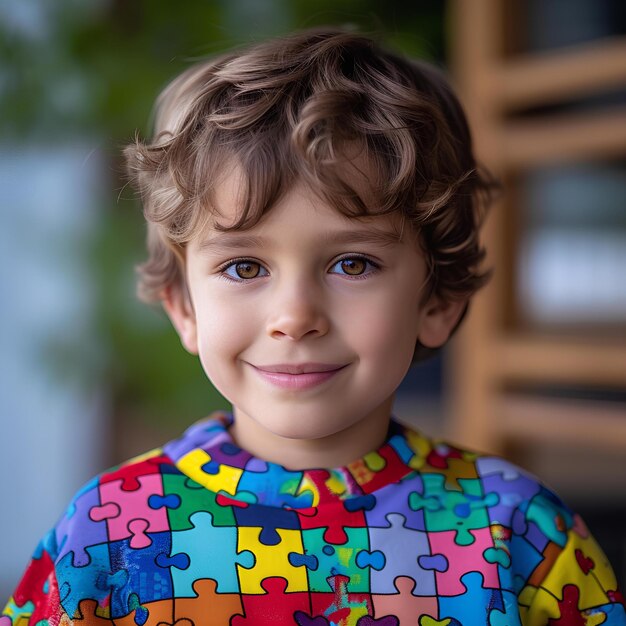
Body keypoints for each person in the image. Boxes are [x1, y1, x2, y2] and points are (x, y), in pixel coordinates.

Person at [3, 28, 624, 626]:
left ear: (437, 300)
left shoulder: (518, 533)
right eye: (244, 266)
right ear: (183, 307)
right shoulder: (109, 528)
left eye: (352, 263)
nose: (295, 316)